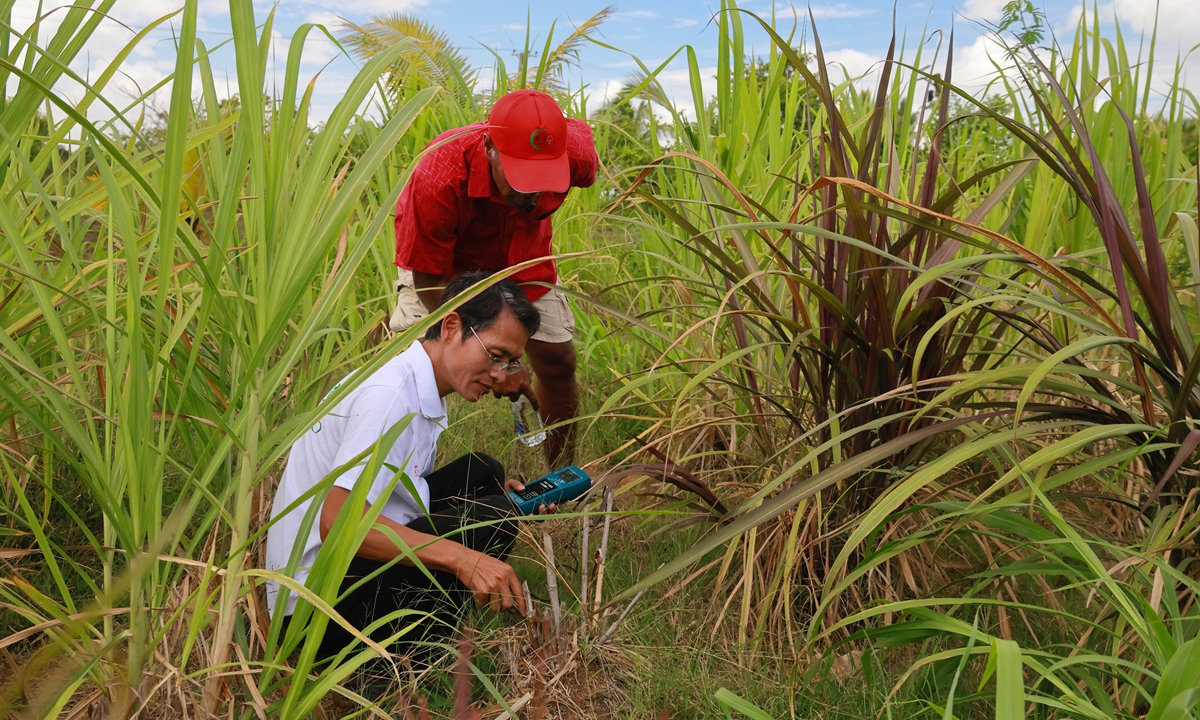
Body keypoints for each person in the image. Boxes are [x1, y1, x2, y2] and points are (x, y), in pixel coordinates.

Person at [264, 273, 555, 684]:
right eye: (495, 355)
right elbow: (339, 523)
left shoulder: (416, 382)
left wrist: (492, 502)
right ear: (452, 327)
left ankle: (425, 622)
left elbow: (395, 495)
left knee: (484, 473)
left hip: (335, 574)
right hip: (315, 612)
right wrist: (462, 556)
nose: (499, 374)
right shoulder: (390, 397)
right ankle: (398, 665)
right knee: (493, 521)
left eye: (509, 362)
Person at [389, 88, 599, 466]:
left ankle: (561, 477)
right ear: (489, 147)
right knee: (420, 373)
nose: (533, 193)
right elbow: (430, 277)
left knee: (558, 361)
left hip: (523, 257)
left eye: (543, 176)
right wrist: (497, 359)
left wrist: (511, 360)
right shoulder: (439, 172)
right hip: (445, 268)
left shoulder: (577, 155)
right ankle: (404, 487)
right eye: (522, 176)